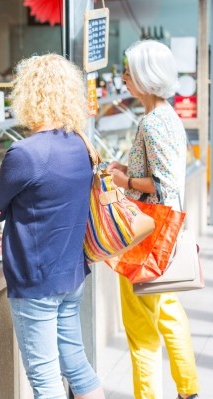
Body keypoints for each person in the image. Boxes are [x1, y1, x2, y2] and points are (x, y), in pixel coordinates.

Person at [0, 54, 105, 399]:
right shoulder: (82, 144)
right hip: (72, 273)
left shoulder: (24, 152)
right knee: (77, 367)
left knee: (45, 381)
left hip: (36, 279)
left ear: (27, 94)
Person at [106, 40, 199, 399]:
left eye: (128, 72)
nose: (124, 78)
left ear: (145, 77)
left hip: (144, 233)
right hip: (164, 230)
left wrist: (123, 181)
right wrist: (128, 169)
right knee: (168, 311)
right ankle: (188, 389)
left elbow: (161, 185)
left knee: (140, 325)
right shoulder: (166, 117)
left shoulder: (152, 122)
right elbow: (162, 174)